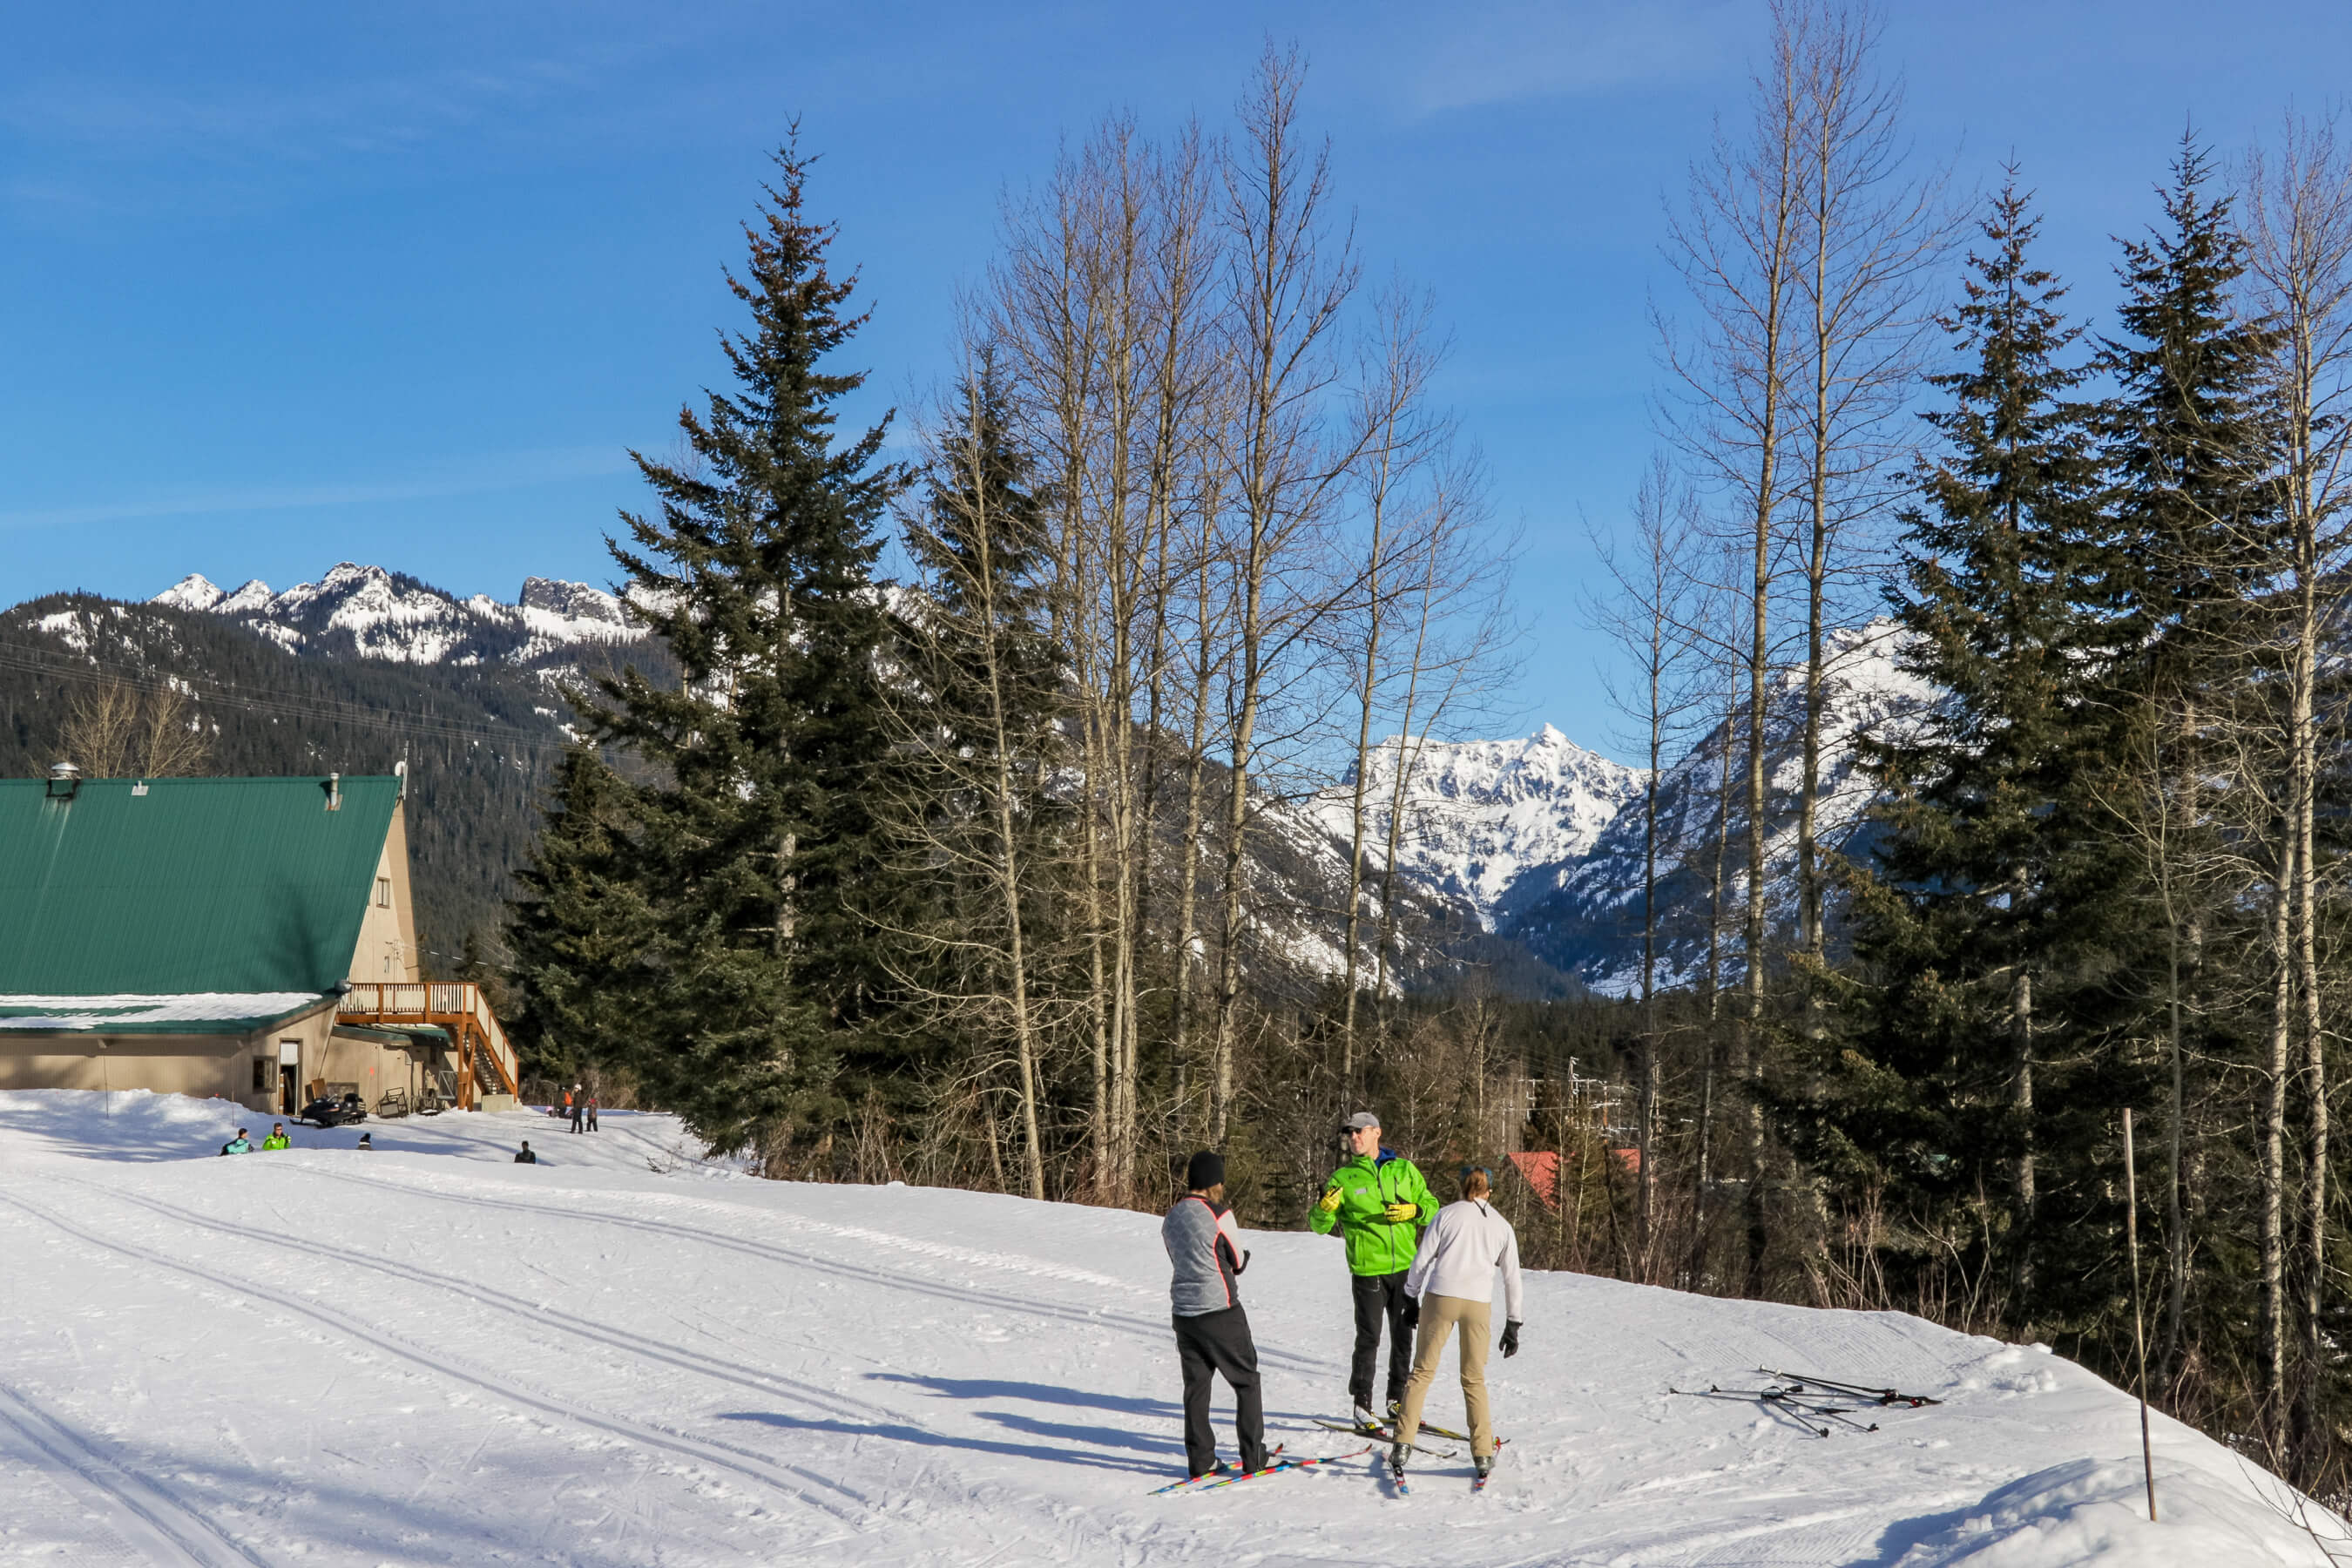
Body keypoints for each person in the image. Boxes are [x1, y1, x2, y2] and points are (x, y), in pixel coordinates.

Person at [1390, 1166, 1524, 1488]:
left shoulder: (1447, 1215)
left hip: (1441, 1298)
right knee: (1474, 1379)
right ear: (1489, 1190)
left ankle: (1402, 1445)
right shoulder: (1501, 1226)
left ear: (1461, 1186)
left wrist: (1410, 1298)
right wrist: (1513, 1322)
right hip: (1477, 1304)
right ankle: (1481, 1452)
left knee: (1422, 1372)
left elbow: (1421, 1259)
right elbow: (1512, 1277)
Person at [1308, 1111, 1436, 1426]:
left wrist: (1413, 1210)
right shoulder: (1344, 1178)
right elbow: (1318, 1225)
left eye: (1359, 1132)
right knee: (1369, 1338)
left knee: (1404, 1336)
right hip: (1368, 1271)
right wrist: (1324, 1209)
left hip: (1406, 1268)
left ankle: (1396, 1401)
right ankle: (1362, 1405)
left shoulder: (1404, 1170)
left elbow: (1432, 1208)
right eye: (1349, 1134)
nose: (1353, 1138)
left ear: (1376, 1132)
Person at [1160, 1151, 1269, 1481]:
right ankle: (1254, 1457)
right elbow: (1235, 1259)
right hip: (1220, 1310)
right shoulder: (1219, 1213)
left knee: (1197, 1387)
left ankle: (1201, 1460)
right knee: (1246, 1380)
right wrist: (1240, 1259)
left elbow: (1178, 1257)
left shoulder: (1171, 1216)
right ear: (1213, 1182)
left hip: (1184, 1313)